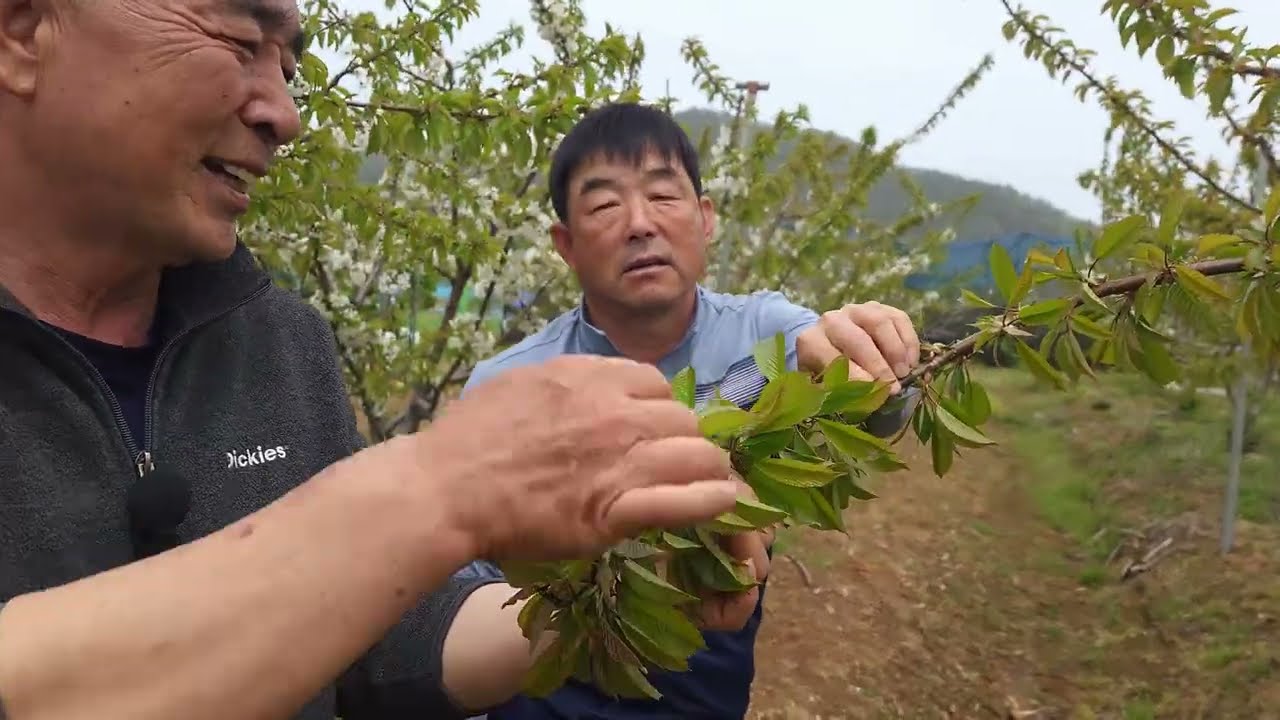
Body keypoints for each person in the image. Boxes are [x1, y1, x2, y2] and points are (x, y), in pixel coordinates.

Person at [0, 2, 757, 719]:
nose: (284, 116)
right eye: (237, 41)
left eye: (290, 72)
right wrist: (440, 488)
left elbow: (380, 632)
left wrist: (617, 589)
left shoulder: (275, 341)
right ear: (26, 30)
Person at [457, 102, 923, 719]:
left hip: (706, 674)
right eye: (603, 205)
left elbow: (877, 409)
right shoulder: (506, 386)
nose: (640, 224)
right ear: (565, 245)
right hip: (548, 681)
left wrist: (886, 363)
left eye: (664, 195)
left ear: (706, 219)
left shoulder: (769, 334)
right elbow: (469, 594)